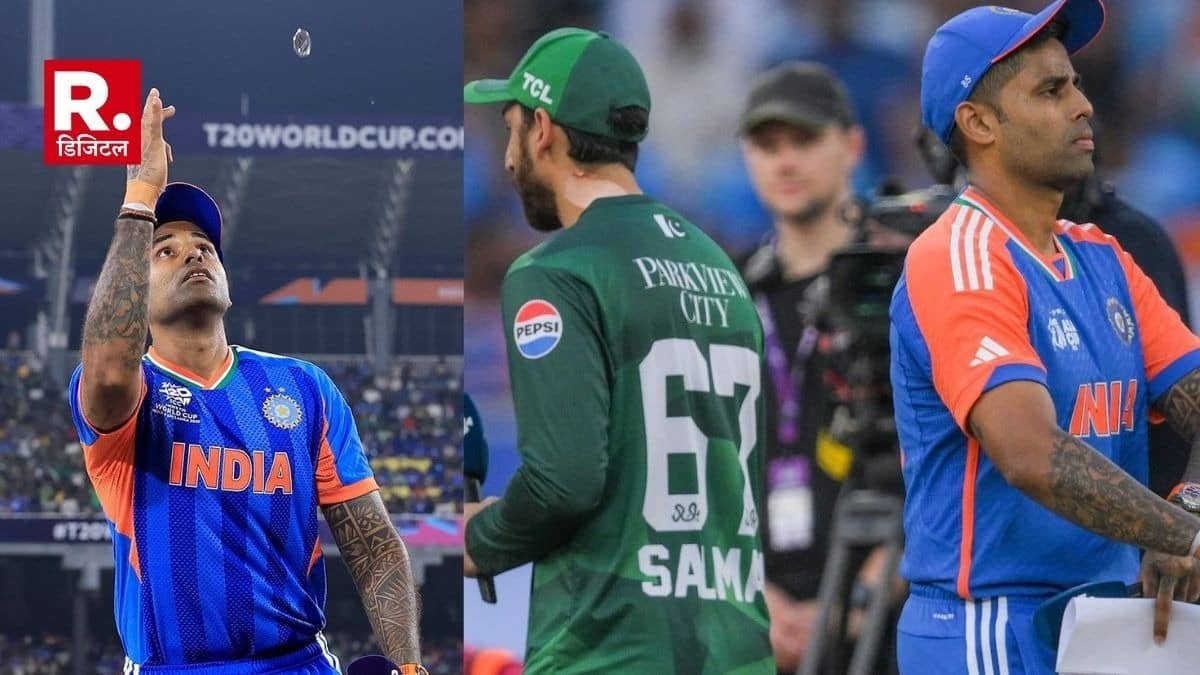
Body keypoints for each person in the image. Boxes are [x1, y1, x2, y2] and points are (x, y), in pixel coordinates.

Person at [69, 88, 425, 674]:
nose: (194, 255)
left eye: (205, 247)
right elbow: (109, 368)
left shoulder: (305, 388)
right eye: (165, 251)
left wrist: (409, 666)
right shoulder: (130, 392)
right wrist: (140, 198)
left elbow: (374, 544)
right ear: (135, 288)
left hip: (296, 663)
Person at [891, 1, 1200, 673]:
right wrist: (1180, 533)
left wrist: (1191, 502)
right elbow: (1029, 451)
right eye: (1051, 90)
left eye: (1077, 84)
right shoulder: (958, 255)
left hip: (1107, 623)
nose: (1083, 106)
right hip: (989, 626)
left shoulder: (1102, 256)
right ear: (978, 123)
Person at [461, 28, 773, 674]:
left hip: (608, 647)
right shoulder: (719, 266)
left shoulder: (556, 272)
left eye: (511, 128)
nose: (509, 159)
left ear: (542, 130)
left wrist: (482, 537)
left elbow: (564, 482)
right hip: (736, 648)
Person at [735, 61, 867, 673]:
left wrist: (858, 601)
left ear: (852, 145)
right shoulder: (726, 292)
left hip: (886, 610)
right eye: (768, 146)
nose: (785, 161)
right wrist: (748, 596)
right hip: (756, 614)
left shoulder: (903, 278)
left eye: (804, 140)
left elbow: (949, 463)